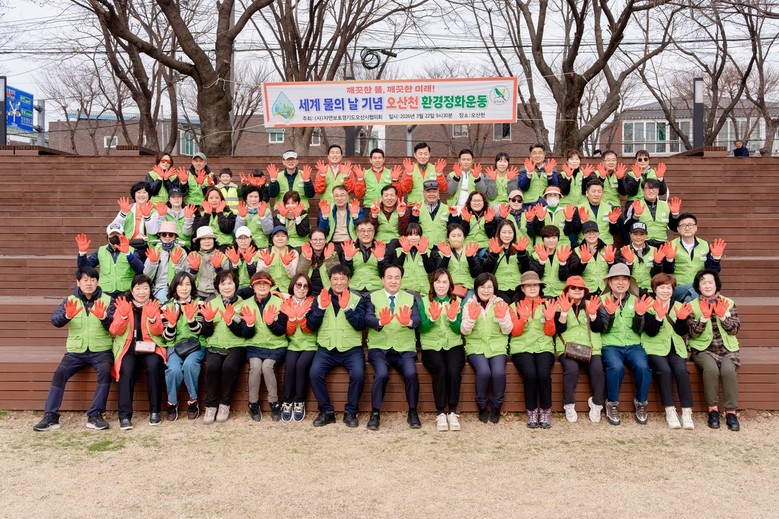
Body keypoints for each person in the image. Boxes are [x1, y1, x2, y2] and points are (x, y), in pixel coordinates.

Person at [34, 267, 114, 432]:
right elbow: (55, 320)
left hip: (101, 350)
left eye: (92, 280)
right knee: (59, 373)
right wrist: (67, 316)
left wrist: (104, 318)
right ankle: (51, 416)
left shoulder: (108, 300)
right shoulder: (70, 300)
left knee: (106, 371)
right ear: (78, 282)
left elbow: (115, 326)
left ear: (97, 282)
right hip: (76, 351)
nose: (89, 283)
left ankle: (95, 415)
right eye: (85, 280)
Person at [307, 265, 367, 427]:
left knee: (358, 375)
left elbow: (360, 325)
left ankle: (351, 412)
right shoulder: (320, 298)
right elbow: (311, 325)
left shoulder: (357, 299)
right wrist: (320, 308)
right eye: (335, 279)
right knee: (314, 373)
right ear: (330, 280)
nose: (339, 282)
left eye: (342, 279)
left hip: (351, 348)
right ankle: (326, 412)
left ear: (348, 280)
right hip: (326, 348)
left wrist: (347, 309)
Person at [364, 264, 422, 430]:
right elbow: (367, 318)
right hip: (379, 347)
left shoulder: (410, 298)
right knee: (381, 374)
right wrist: (380, 322)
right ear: (382, 280)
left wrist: (409, 322)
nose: (393, 281)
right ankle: (375, 413)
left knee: (411, 374)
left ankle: (413, 412)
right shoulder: (372, 297)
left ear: (401, 280)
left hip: (404, 348)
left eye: (397, 278)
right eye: (389, 277)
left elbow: (417, 319)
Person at [633, 273, 694, 429]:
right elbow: (650, 332)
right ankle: (670, 411)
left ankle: (687, 412)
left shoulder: (679, 305)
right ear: (655, 289)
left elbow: (682, 332)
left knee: (682, 371)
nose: (665, 291)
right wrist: (659, 318)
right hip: (654, 347)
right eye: (661, 287)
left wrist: (681, 320)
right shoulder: (648, 305)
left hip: (675, 347)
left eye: (668, 288)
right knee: (664, 371)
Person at [686, 270, 742, 431]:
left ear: (716, 284)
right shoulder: (692, 305)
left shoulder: (728, 303)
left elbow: (734, 329)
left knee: (728, 371)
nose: (707, 285)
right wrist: (703, 319)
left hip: (727, 347)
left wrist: (723, 317)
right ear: (698, 286)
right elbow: (692, 334)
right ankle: (713, 410)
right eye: (703, 282)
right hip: (703, 349)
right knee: (711, 370)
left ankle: (731, 412)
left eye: (710, 282)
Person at [109, 274, 165, 430]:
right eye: (138, 288)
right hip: (129, 348)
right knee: (127, 370)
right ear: (132, 290)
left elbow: (159, 331)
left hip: (150, 347)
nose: (142, 292)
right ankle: (124, 416)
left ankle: (155, 411)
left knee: (154, 366)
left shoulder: (154, 305)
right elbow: (114, 330)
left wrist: (153, 319)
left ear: (150, 290)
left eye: (145, 288)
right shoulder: (124, 305)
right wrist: (123, 316)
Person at [599, 263, 652, 426]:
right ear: (609, 282)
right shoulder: (602, 300)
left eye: (625, 279)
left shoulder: (637, 300)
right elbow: (603, 329)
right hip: (611, 344)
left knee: (643, 367)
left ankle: (641, 403)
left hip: (633, 344)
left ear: (630, 282)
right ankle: (612, 403)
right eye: (616, 279)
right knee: (616, 367)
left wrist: (640, 314)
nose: (620, 282)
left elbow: (639, 329)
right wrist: (609, 314)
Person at [460, 273, 513, 423]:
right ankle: (482, 405)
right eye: (482, 287)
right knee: (484, 372)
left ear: (494, 288)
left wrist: (502, 318)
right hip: (476, 347)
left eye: (489, 287)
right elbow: (464, 331)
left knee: (498, 373)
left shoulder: (501, 303)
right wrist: (471, 319)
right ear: (476, 288)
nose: (486, 290)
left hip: (497, 347)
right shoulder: (469, 304)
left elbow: (508, 330)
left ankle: (496, 406)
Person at [199, 270, 251, 424]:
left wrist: (230, 323)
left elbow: (244, 332)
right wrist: (208, 322)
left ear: (236, 284)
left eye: (230, 283)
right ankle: (210, 405)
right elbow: (206, 333)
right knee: (212, 367)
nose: (227, 287)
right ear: (218, 286)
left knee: (229, 367)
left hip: (237, 344)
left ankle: (225, 404)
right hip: (215, 343)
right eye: (223, 284)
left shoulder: (243, 304)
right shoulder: (211, 304)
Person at [238, 271, 289, 422]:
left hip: (276, 345)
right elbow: (245, 333)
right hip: (254, 345)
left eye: (265, 283)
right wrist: (249, 325)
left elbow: (282, 330)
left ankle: (274, 403)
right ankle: (253, 403)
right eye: (258, 283)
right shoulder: (246, 304)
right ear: (252, 287)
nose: (261, 286)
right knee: (255, 366)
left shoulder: (279, 303)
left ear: (270, 285)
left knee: (267, 366)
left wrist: (272, 324)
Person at [554, 276, 607, 423]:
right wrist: (564, 313)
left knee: (598, 370)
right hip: (568, 347)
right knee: (571, 369)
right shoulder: (559, 305)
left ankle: (596, 404)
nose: (577, 290)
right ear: (567, 290)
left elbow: (599, 327)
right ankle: (569, 404)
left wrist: (593, 315)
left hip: (590, 347)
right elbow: (558, 329)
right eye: (573, 288)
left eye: (580, 288)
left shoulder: (591, 304)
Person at [509, 271, 557, 429]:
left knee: (543, 374)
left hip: (544, 346)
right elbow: (515, 332)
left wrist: (549, 319)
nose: (532, 288)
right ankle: (531, 411)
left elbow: (550, 333)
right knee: (530, 375)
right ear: (522, 288)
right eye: (528, 285)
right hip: (521, 347)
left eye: (535, 285)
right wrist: (523, 319)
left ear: (540, 287)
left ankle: (545, 410)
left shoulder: (548, 304)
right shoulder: (514, 306)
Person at [419, 269, 464, 431]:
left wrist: (453, 319)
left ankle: (452, 411)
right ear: (432, 284)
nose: (441, 285)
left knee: (453, 370)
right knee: (440, 369)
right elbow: (421, 328)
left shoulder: (457, 301)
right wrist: (431, 319)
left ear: (450, 284)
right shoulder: (424, 301)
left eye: (445, 282)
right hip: (431, 345)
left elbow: (460, 330)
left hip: (453, 344)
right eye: (437, 282)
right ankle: (440, 412)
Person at [161, 271, 205, 421]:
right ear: (175, 287)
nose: (184, 288)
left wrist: (192, 320)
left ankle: (193, 400)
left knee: (190, 365)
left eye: (187, 284)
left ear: (192, 286)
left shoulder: (199, 303)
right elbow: (167, 337)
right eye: (180, 285)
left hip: (196, 345)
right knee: (173, 369)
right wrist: (171, 325)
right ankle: (172, 402)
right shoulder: (166, 307)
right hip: (175, 346)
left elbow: (201, 331)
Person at [278, 274, 316, 422]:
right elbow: (288, 331)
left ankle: (299, 401)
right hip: (293, 343)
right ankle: (287, 401)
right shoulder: (286, 303)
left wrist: (301, 318)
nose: (302, 288)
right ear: (293, 286)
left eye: (305, 286)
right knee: (290, 365)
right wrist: (293, 319)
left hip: (310, 343)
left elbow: (311, 328)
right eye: (298, 285)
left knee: (301, 365)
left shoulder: (313, 302)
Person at [668, 213, 725, 302]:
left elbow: (713, 271)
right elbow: (666, 271)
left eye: (690, 225)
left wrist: (715, 259)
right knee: (695, 291)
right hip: (678, 287)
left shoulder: (705, 245)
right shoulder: (670, 246)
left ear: (696, 228)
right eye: (683, 225)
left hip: (699, 286)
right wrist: (669, 260)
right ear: (678, 229)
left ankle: (689, 304)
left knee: (689, 298)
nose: (687, 228)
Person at [76, 223, 144, 297]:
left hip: (126, 292)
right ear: (107, 237)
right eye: (112, 235)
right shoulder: (101, 250)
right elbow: (84, 268)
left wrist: (128, 253)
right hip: (105, 293)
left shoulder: (132, 251)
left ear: (123, 235)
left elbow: (140, 269)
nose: (114, 237)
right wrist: (82, 253)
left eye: (117, 234)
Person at [143, 221, 188, 302]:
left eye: (170, 234)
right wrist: (152, 263)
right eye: (164, 234)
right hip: (158, 288)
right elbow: (146, 276)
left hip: (177, 287)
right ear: (160, 236)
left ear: (175, 236)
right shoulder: (154, 251)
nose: (167, 237)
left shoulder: (181, 251)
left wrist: (177, 265)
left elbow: (185, 276)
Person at [481, 219, 526, 301]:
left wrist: (522, 253)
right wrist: (494, 255)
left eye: (510, 232)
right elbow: (486, 271)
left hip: (517, 288)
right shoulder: (491, 249)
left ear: (514, 234)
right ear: (499, 233)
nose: (507, 235)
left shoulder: (520, 248)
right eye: (504, 232)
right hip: (499, 288)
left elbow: (525, 270)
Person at [110, 181, 159, 252]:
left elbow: (153, 231)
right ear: (134, 195)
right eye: (138, 192)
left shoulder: (154, 210)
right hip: (128, 244)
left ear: (149, 195)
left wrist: (147, 217)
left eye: (144, 192)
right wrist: (123, 213)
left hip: (147, 245)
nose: (141, 195)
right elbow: (114, 226)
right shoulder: (127, 209)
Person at [344, 219, 389, 296]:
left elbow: (385, 273)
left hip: (376, 288)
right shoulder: (349, 248)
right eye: (362, 230)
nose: (366, 233)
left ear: (374, 232)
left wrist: (381, 260)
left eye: (369, 230)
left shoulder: (382, 248)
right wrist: (348, 259)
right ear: (357, 233)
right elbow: (345, 273)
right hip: (354, 288)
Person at [436, 223, 481, 299]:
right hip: (448, 288)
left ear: (464, 237)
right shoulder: (441, 252)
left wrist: (470, 258)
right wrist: (446, 257)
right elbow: (439, 274)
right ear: (448, 238)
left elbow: (476, 274)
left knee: (468, 303)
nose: (456, 238)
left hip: (469, 288)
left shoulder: (472, 250)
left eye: (459, 235)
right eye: (453, 236)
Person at [393, 223, 437, 295]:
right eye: (410, 235)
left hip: (423, 292)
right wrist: (404, 252)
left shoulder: (428, 252)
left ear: (420, 236)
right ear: (405, 237)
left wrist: (423, 253)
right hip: (403, 291)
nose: (413, 238)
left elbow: (430, 270)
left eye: (416, 235)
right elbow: (395, 269)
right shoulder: (398, 251)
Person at [415, 178, 459, 247]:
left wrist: (455, 215)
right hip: (423, 249)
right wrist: (414, 216)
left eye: (434, 191)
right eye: (428, 191)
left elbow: (455, 229)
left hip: (442, 249)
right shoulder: (417, 209)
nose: (431, 194)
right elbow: (412, 229)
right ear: (423, 193)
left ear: (438, 192)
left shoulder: (447, 209)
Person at [186, 226, 227, 299]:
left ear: (213, 240)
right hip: (196, 292)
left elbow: (227, 279)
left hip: (216, 293)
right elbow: (187, 280)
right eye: (203, 239)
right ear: (199, 241)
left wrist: (218, 269)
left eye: (210, 238)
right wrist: (194, 270)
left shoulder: (221, 256)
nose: (207, 241)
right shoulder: (193, 255)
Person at [254, 225, 299, 292]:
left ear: (287, 239)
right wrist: (266, 265)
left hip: (287, 289)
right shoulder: (265, 252)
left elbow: (293, 276)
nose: (280, 239)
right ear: (272, 239)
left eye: (283, 236)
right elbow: (259, 274)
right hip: (269, 289)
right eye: (277, 236)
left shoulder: (293, 253)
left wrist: (287, 265)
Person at [297, 228, 340, 294]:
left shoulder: (333, 254)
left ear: (325, 240)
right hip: (308, 290)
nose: (318, 242)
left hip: (327, 290)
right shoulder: (305, 253)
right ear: (310, 241)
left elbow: (336, 276)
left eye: (321, 239)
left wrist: (328, 258)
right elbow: (300, 274)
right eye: (315, 239)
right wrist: (307, 259)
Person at [235, 184, 273, 249]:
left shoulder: (266, 211)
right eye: (250, 196)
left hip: (261, 246)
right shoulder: (241, 210)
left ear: (259, 198)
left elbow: (268, 231)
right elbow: (237, 231)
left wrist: (263, 217)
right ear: (246, 198)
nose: (253, 199)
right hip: (245, 247)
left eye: (256, 197)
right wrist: (242, 218)